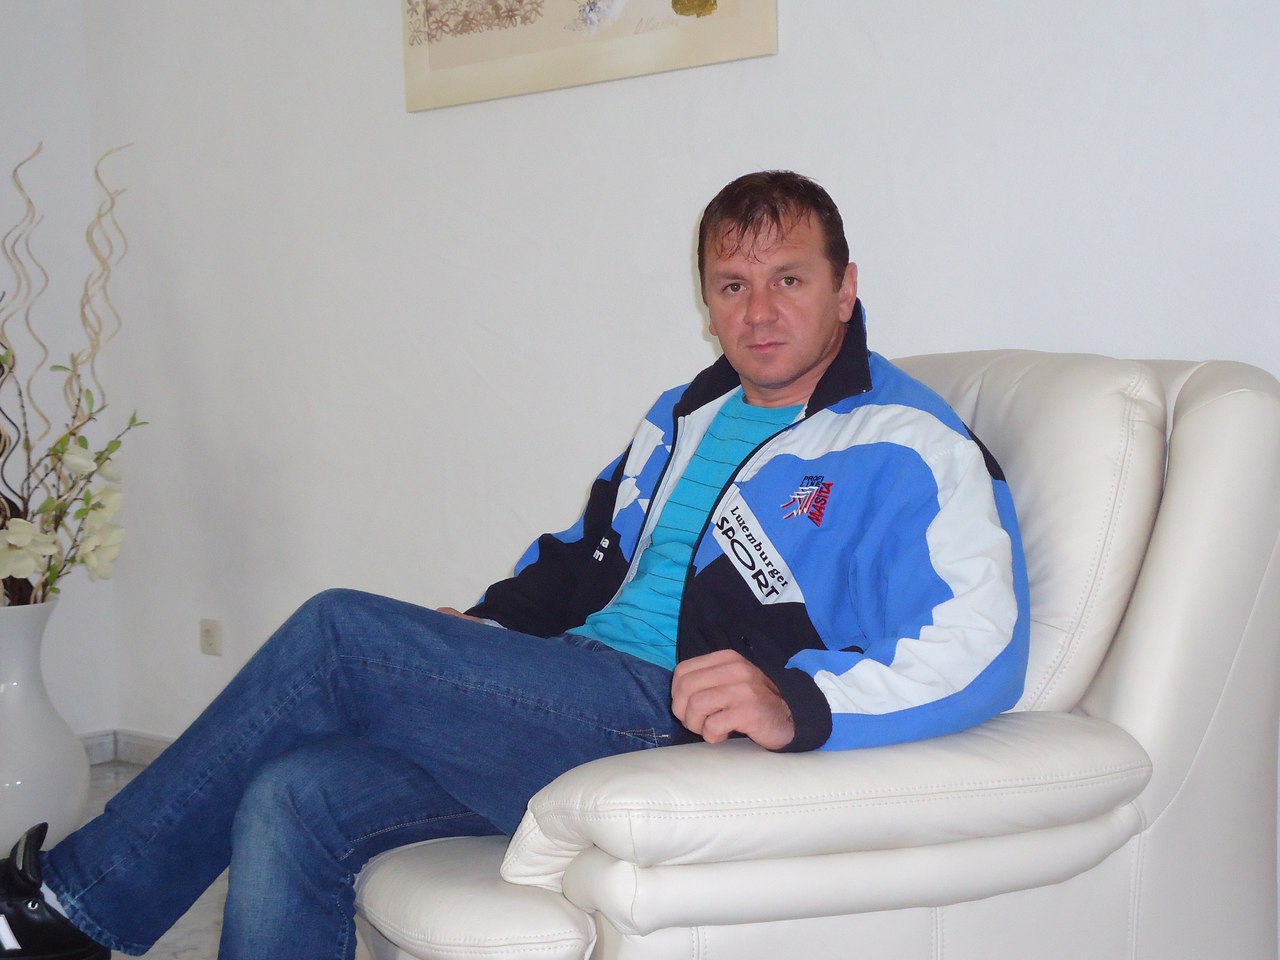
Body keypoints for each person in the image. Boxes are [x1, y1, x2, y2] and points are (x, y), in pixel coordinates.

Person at [0, 171, 1029, 960]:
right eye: (732, 285)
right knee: (292, 793)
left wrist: (794, 701)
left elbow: (980, 645)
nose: (758, 311)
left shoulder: (907, 445)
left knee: (339, 633)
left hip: (665, 717)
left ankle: (70, 909)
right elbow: (582, 558)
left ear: (845, 288)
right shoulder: (686, 412)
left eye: (788, 279)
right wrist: (487, 630)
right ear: (707, 302)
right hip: (573, 694)